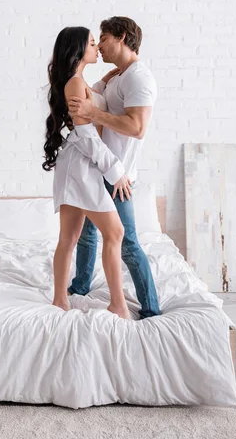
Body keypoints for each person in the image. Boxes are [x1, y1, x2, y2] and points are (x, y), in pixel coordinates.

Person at [67, 16, 161, 319]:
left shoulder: (139, 78)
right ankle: (80, 287)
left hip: (117, 174)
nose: (100, 46)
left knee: (127, 242)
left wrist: (94, 113)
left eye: (104, 38)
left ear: (121, 38)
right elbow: (100, 98)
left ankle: (150, 308)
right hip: (100, 168)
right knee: (87, 234)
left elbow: (137, 128)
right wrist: (101, 83)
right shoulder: (120, 76)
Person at [43, 26, 132, 319]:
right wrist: (115, 172)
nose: (97, 48)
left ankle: (60, 299)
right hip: (80, 167)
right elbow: (87, 136)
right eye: (93, 44)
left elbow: (92, 107)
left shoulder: (79, 82)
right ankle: (117, 305)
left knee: (69, 237)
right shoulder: (75, 85)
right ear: (79, 50)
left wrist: (104, 80)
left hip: (78, 165)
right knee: (114, 231)